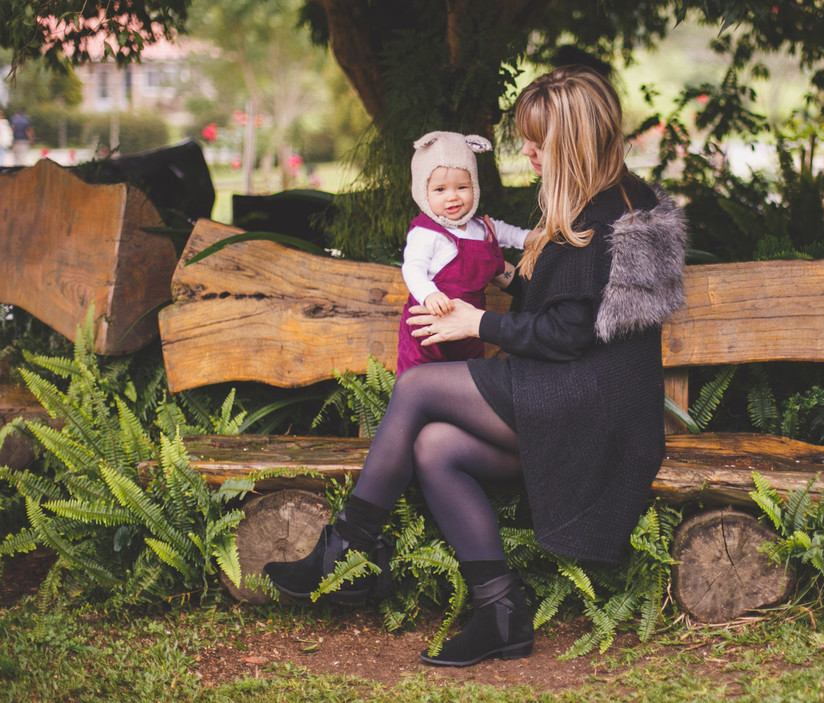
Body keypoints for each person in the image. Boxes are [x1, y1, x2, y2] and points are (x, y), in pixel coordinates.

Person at [264, 65, 688, 667]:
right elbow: (571, 305)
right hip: (576, 393)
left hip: (591, 407)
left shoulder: (604, 221)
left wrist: (476, 323)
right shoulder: (607, 201)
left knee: (415, 387)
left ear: (572, 143)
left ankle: (348, 550)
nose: (530, 153)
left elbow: (568, 333)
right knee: (436, 446)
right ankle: (502, 613)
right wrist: (510, 280)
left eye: (539, 142)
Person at [397, 131, 531, 374]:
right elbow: (412, 268)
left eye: (462, 187)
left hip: (468, 324)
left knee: (467, 372)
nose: (452, 197)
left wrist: (528, 238)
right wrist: (429, 295)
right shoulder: (427, 233)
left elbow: (505, 232)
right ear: (422, 191)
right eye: (440, 190)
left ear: (474, 187)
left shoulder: (480, 227)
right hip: (429, 325)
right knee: (423, 379)